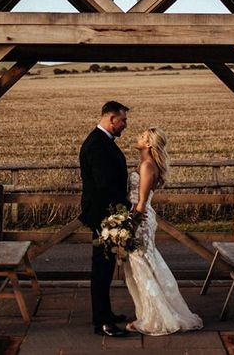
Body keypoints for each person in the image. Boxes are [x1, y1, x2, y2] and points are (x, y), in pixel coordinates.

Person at [124, 127, 203, 335]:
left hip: (140, 219)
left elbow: (140, 203)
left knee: (143, 267)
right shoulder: (146, 164)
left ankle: (156, 319)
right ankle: (148, 313)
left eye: (142, 136)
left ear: (149, 144)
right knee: (144, 265)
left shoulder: (148, 166)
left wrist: (128, 227)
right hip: (140, 217)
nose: (138, 137)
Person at [79, 101, 133, 338]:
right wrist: (123, 209)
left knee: (106, 266)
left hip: (109, 214)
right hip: (104, 216)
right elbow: (104, 185)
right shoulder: (97, 145)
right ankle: (101, 321)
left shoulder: (102, 141)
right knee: (101, 268)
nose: (125, 125)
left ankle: (106, 313)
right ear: (111, 118)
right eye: (123, 120)